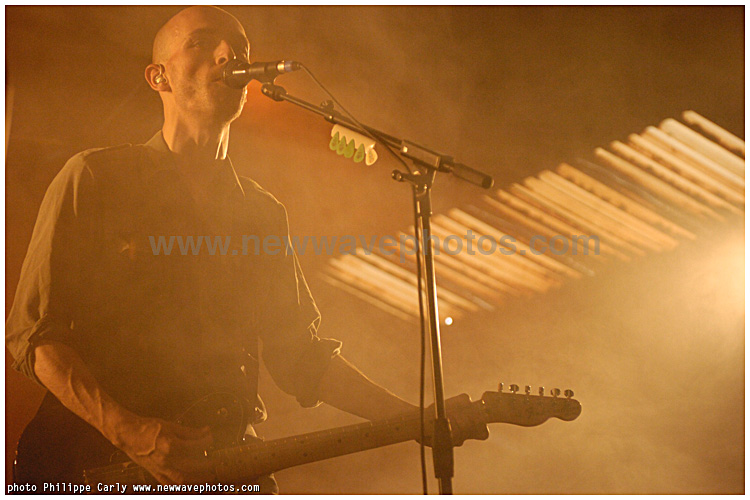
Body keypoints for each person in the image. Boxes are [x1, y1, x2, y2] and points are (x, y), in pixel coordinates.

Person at [6, 6, 417, 492]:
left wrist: (418, 419)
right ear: (158, 77)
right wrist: (127, 431)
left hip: (221, 467)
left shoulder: (261, 214)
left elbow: (301, 357)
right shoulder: (94, 178)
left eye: (239, 49)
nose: (228, 55)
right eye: (201, 43)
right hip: (91, 467)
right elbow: (33, 336)